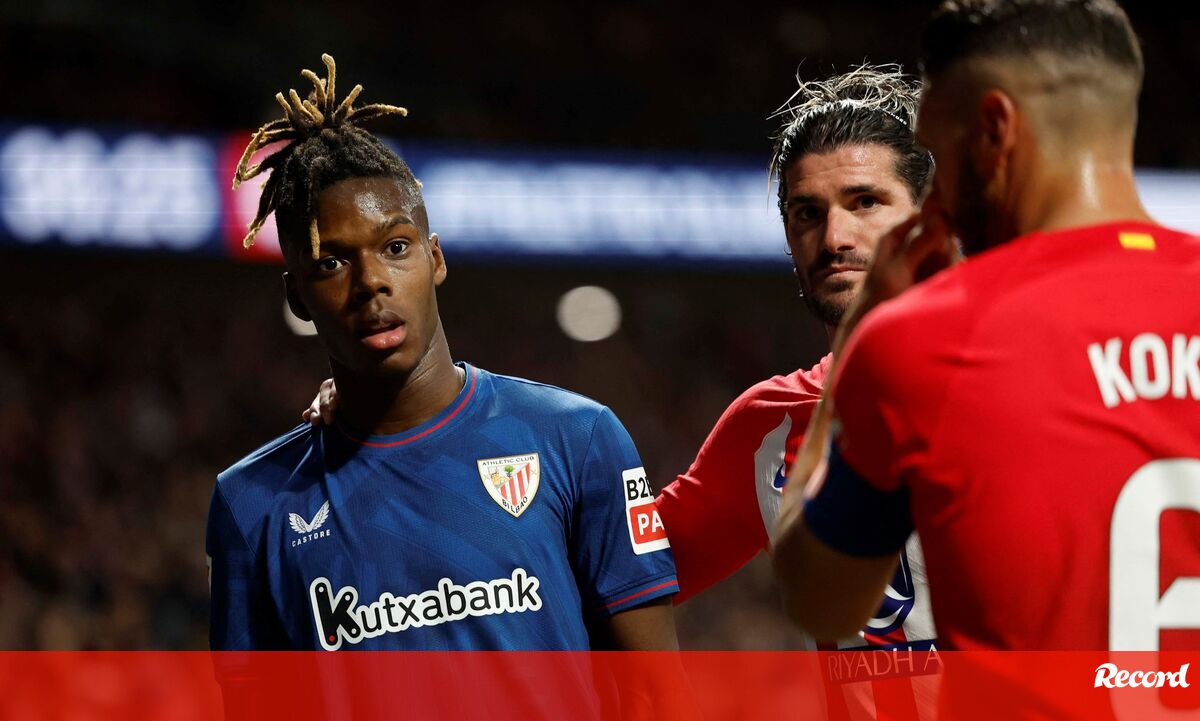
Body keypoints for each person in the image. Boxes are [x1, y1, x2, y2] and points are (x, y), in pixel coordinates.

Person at [206, 55, 680, 664]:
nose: (371, 281)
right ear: (297, 295)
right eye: (332, 262)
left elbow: (656, 691)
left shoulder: (577, 440)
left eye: (395, 247)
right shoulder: (251, 503)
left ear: (435, 259)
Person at [774, 0, 1200, 654]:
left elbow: (819, 600)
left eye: (937, 148)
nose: (937, 190)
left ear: (994, 128)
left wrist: (860, 332)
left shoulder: (926, 338)